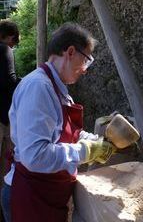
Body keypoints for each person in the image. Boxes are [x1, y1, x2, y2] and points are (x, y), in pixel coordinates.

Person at [1, 22, 116, 222]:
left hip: (47, 194)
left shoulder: (57, 89)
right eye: (86, 60)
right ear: (70, 52)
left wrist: (98, 141)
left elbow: (65, 131)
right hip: (30, 196)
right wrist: (86, 151)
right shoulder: (38, 87)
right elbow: (35, 156)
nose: (85, 70)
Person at [0, 20, 21, 222]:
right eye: (14, 41)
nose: (13, 45)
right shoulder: (4, 49)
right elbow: (10, 81)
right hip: (2, 117)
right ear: (9, 36)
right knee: (7, 163)